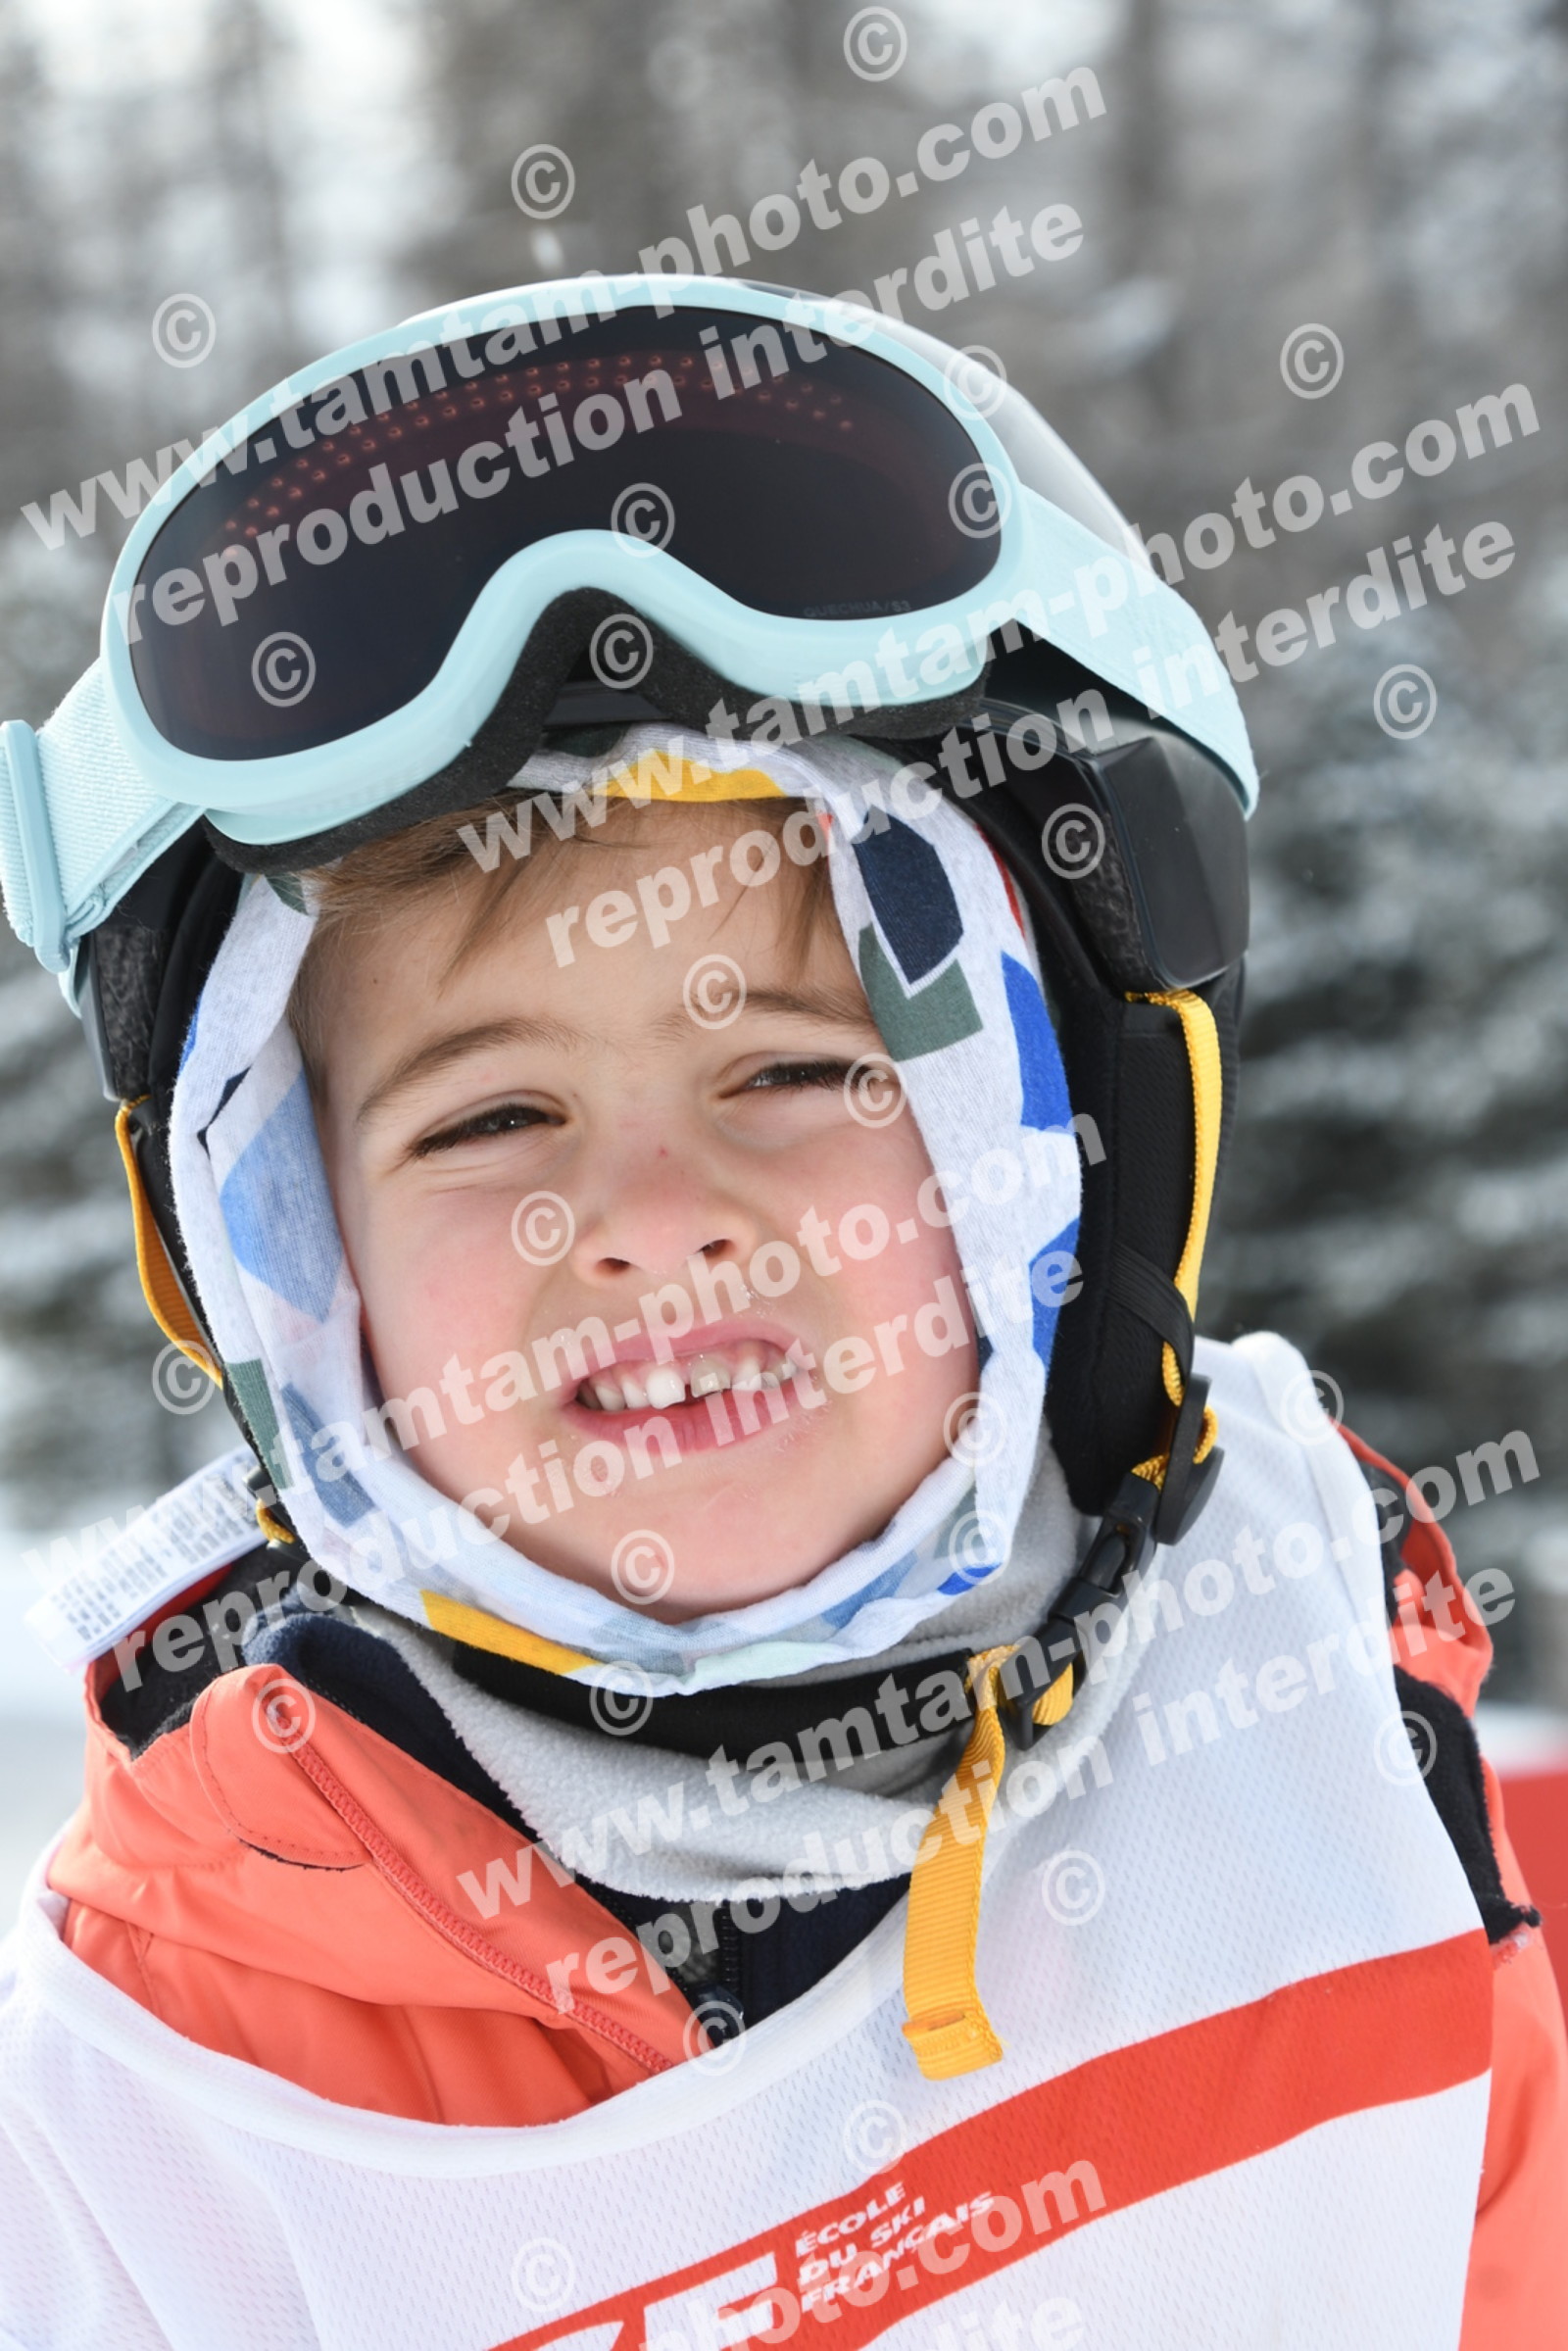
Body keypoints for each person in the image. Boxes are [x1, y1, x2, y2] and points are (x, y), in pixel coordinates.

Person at [0, 275, 1560, 2351]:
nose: (654, 1224)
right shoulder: (162, 2100)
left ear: (1059, 1149)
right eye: (490, 1117)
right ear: (283, 1260)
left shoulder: (1315, 1700)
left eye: (797, 1073)